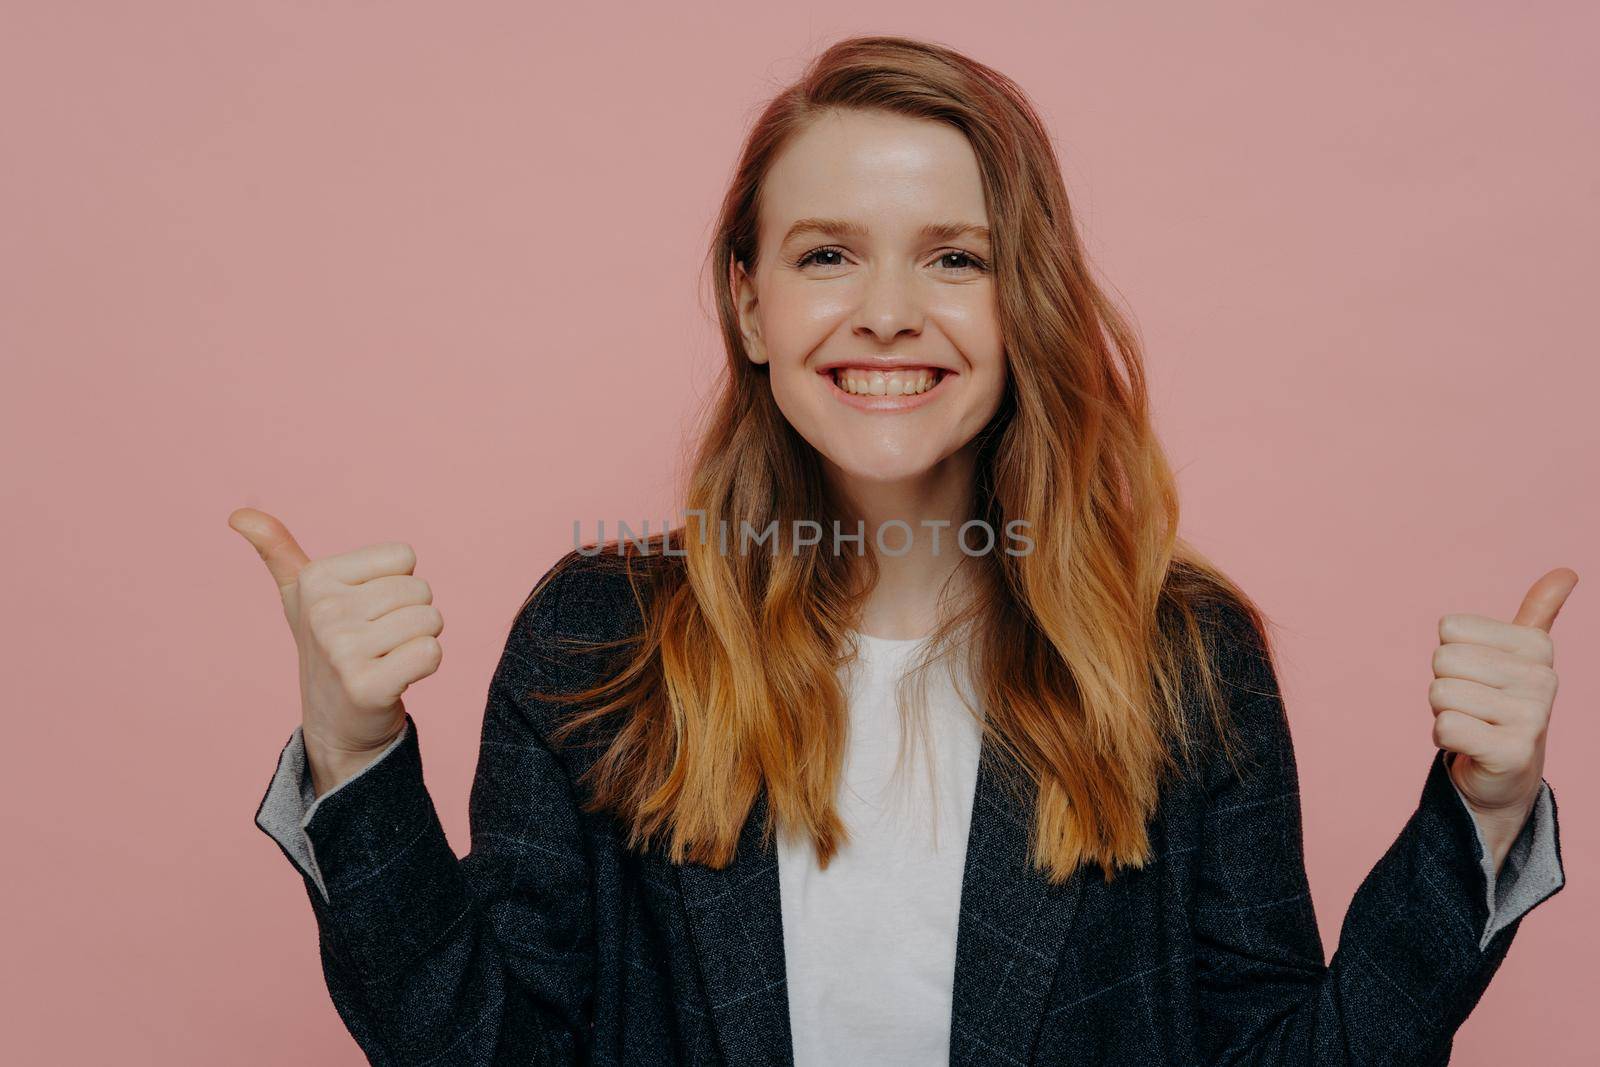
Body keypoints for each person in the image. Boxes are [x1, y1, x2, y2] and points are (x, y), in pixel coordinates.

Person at [236, 34, 1570, 1066]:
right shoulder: (599, 636)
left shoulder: (1179, 656)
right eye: (826, 254)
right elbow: (488, 1050)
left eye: (952, 259)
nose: (885, 313)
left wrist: (1480, 821)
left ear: (1024, 301)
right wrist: (355, 758)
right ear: (750, 302)